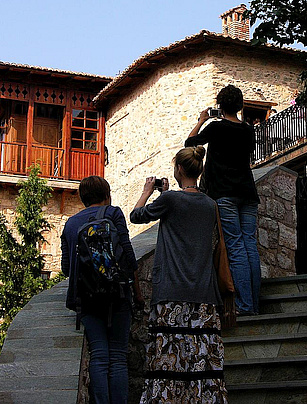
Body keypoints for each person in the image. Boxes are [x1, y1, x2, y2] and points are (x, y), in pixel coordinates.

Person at [130, 146, 227, 403]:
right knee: (201, 360)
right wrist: (166, 194)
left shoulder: (170, 200)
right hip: (205, 295)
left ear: (179, 169)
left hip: (171, 293)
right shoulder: (210, 204)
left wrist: (147, 192)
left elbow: (136, 215)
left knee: (168, 361)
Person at [61, 176, 142, 404]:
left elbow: (67, 269)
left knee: (99, 355)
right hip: (118, 293)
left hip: (86, 298)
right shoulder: (113, 213)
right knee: (117, 357)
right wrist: (137, 291)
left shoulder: (70, 224)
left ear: (83, 198)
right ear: (106, 194)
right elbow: (127, 253)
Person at [186, 84, 262, 316]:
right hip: (247, 192)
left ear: (220, 105)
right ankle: (254, 303)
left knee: (236, 247)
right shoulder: (249, 130)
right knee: (250, 245)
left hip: (225, 193)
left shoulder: (215, 128)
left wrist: (201, 120)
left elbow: (189, 143)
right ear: (240, 105)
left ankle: (245, 305)